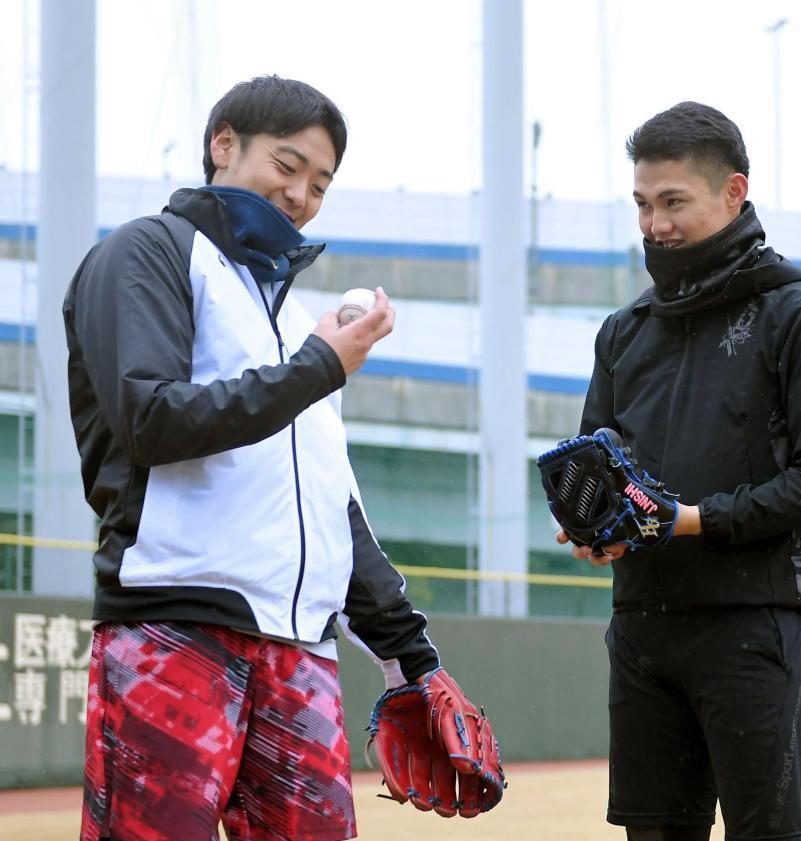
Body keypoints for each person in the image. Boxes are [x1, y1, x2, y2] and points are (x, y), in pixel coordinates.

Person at [64, 75, 500, 841]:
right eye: (287, 165)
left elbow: (334, 510)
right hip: (175, 624)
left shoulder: (296, 323)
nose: (300, 194)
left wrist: (411, 659)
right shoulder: (146, 251)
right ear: (223, 145)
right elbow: (149, 419)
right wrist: (318, 367)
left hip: (300, 648)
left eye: (320, 184)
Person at [557, 102, 801, 841]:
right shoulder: (623, 332)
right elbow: (595, 464)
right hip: (641, 632)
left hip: (753, 631)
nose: (654, 224)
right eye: (642, 204)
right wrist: (594, 526)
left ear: (733, 192)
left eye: (673, 202)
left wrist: (695, 521)